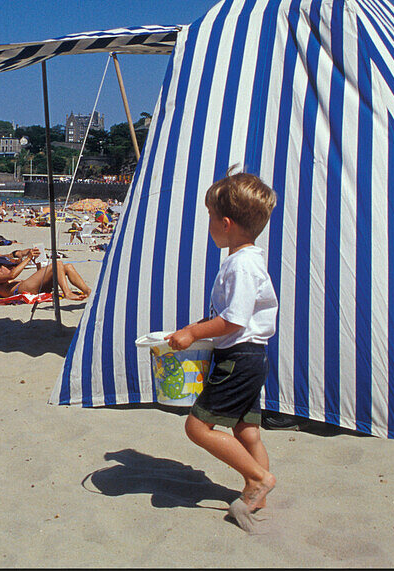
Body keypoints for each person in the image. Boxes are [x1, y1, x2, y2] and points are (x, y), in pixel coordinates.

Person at [165, 171, 279, 534]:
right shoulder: (245, 259)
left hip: (239, 359)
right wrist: (201, 325)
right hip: (251, 356)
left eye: (211, 217)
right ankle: (255, 494)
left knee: (197, 427)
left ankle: (259, 478)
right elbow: (231, 315)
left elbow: (234, 320)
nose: (209, 224)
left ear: (226, 223)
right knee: (247, 431)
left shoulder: (241, 264)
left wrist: (193, 332)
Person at [0, 253, 91, 300]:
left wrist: (37, 264)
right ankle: (67, 293)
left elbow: (37, 281)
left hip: (32, 288)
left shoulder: (5, 281)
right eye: (8, 266)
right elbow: (12, 275)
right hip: (22, 290)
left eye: (12, 266)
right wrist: (28, 258)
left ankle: (87, 291)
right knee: (57, 263)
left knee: (68, 266)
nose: (11, 268)